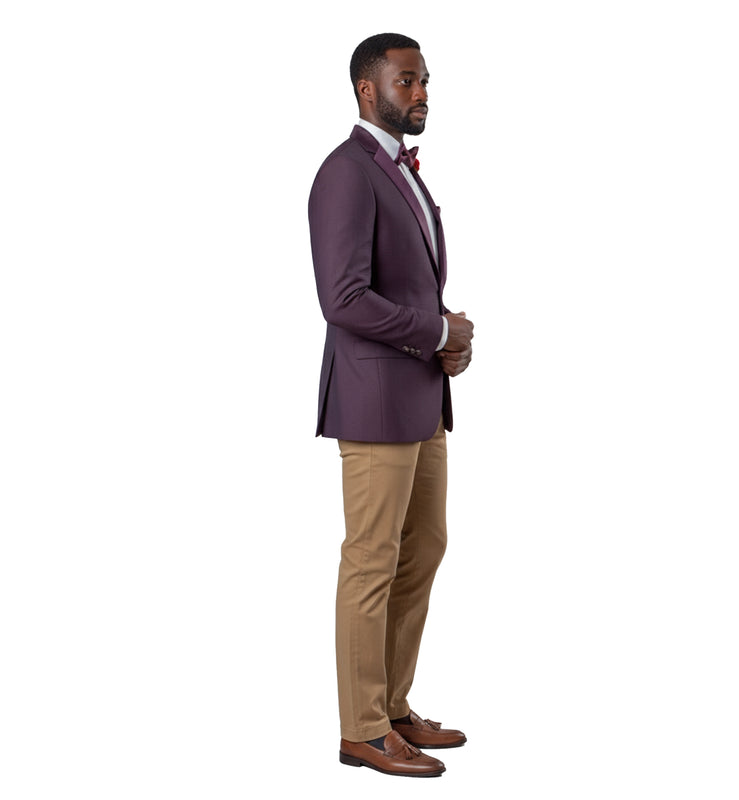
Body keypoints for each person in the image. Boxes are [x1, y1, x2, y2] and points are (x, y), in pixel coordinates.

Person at [308, 32, 474, 778]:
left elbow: (407, 287)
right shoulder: (345, 173)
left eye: (425, 80)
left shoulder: (400, 170)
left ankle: (394, 707)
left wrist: (447, 342)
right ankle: (363, 730)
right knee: (372, 560)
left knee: (425, 547)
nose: (422, 93)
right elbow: (342, 299)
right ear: (367, 89)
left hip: (421, 395)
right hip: (375, 401)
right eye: (407, 81)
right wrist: (434, 330)